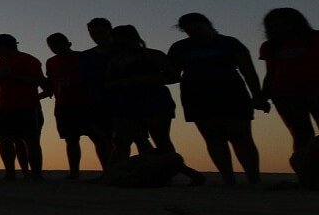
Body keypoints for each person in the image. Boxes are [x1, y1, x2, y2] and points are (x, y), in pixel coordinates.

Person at [167, 14, 266, 187]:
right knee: (213, 138)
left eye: (197, 27)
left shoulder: (230, 43)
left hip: (232, 92)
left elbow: (248, 70)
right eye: (189, 29)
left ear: (207, 25)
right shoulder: (179, 47)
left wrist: (257, 96)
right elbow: (173, 73)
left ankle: (254, 179)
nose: (194, 32)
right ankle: (228, 179)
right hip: (197, 95)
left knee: (241, 137)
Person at [104, 25, 204, 185]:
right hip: (126, 104)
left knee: (161, 140)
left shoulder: (152, 55)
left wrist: (140, 80)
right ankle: (110, 176)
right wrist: (120, 85)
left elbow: (173, 76)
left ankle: (175, 174)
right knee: (122, 141)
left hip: (155, 102)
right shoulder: (116, 61)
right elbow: (108, 83)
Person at [259, 7, 319, 178]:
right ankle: (306, 174)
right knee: (301, 134)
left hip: (316, 91)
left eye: (281, 24)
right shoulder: (270, 47)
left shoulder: (315, 38)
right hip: (285, 95)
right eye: (273, 26)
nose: (277, 28)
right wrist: (263, 97)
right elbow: (270, 74)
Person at [0, 34, 47, 180]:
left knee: (31, 141)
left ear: (5, 47)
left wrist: (12, 75)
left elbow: (36, 81)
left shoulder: (29, 60)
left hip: (27, 106)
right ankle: (10, 173)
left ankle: (36, 174)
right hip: (4, 106)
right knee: (5, 140)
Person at [42, 33, 96, 179]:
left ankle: (108, 169)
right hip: (63, 105)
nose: (56, 48)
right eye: (52, 46)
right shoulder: (51, 62)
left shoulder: (82, 58)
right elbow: (51, 84)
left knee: (97, 136)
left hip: (85, 103)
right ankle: (74, 173)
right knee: (71, 139)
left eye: (58, 45)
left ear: (68, 44)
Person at [76, 17, 117, 166]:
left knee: (133, 137)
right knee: (100, 138)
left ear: (109, 31)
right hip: (95, 101)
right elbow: (83, 79)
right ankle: (108, 170)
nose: (96, 36)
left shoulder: (121, 52)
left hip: (123, 100)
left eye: (100, 32)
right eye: (92, 33)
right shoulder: (86, 55)